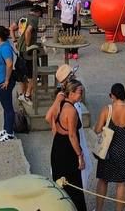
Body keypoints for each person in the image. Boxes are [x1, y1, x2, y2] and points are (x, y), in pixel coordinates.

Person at [93, 82, 125, 211]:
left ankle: (98, 209)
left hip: (108, 150)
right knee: (122, 183)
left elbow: (97, 129)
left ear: (112, 96)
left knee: (103, 180)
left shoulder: (107, 110)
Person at [51, 80, 88, 211]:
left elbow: (50, 119)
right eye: (79, 92)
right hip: (68, 149)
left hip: (57, 145)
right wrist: (80, 155)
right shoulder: (71, 110)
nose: (81, 95)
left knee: (60, 185)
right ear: (71, 93)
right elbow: (72, 135)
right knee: (74, 186)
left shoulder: (60, 103)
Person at [0, 25, 18, 143]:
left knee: (8, 107)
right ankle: (6, 129)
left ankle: (10, 133)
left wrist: (6, 80)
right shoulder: (1, 46)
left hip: (3, 82)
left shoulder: (5, 48)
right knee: (5, 107)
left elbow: (9, 64)